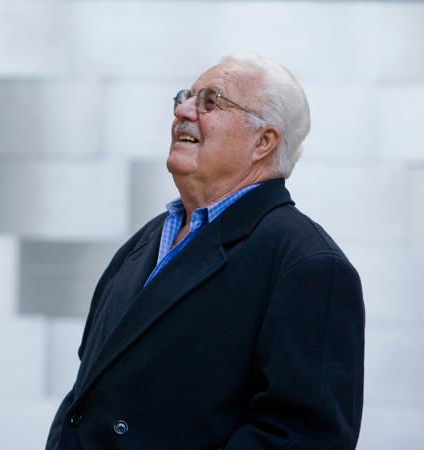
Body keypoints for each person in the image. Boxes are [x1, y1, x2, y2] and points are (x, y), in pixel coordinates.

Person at [46, 52, 365, 450]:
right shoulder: (147, 240)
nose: (183, 110)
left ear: (263, 142)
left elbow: (301, 438)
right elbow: (88, 393)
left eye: (211, 101)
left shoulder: (308, 265)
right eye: (186, 96)